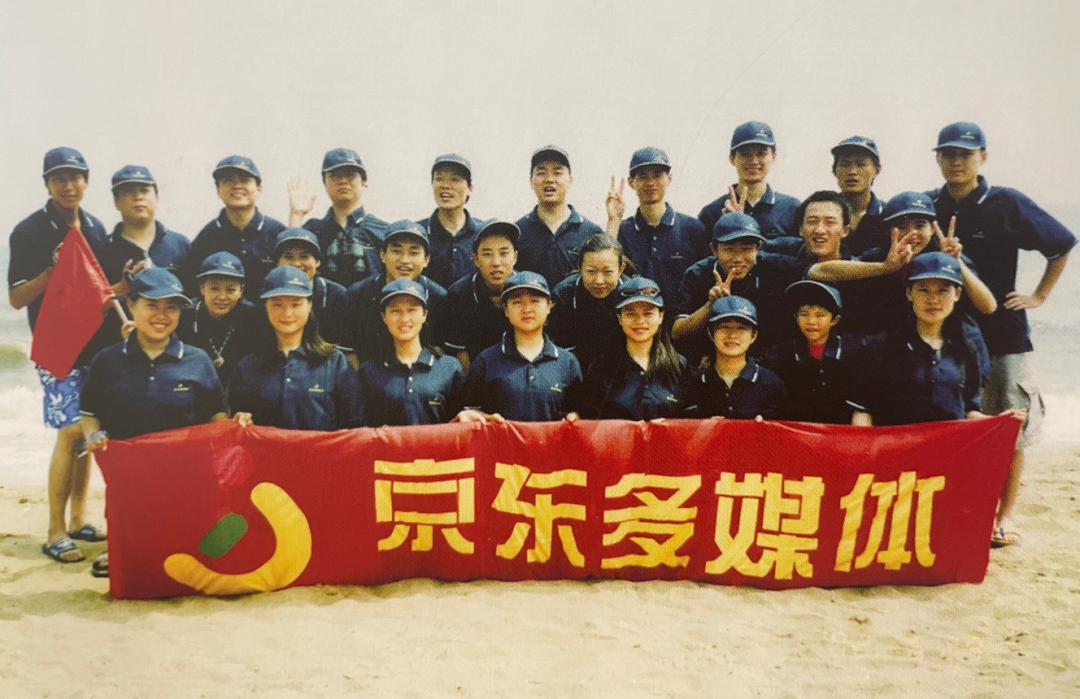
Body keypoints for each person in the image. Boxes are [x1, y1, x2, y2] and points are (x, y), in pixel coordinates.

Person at [929, 122, 1076, 547]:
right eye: (948, 154)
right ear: (938, 159)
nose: (956, 161)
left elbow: (1061, 244)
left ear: (983, 157)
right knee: (954, 426)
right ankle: (961, 510)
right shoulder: (930, 204)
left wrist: (1040, 296)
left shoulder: (1006, 202)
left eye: (965, 154)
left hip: (1005, 335)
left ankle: (1004, 517)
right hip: (950, 334)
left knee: (1010, 429)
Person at [80, 268, 232, 577]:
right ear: (132, 304)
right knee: (132, 558)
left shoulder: (198, 360)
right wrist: (93, 436)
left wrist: (225, 439)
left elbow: (217, 414)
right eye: (152, 304)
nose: (162, 315)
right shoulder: (106, 360)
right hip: (127, 481)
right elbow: (89, 412)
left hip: (183, 479)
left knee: (184, 557)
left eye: (171, 307)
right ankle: (119, 544)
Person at [9, 147, 110, 564]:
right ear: (47, 184)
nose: (68, 186)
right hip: (56, 348)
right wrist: (50, 273)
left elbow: (100, 290)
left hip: (95, 346)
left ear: (86, 181)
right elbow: (16, 298)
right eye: (58, 179)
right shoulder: (29, 231)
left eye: (75, 177)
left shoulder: (97, 227)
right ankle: (54, 531)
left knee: (87, 431)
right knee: (70, 430)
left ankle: (78, 519)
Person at [848, 252, 992, 427]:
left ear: (957, 293)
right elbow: (863, 411)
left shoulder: (965, 348)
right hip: (897, 442)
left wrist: (1003, 422)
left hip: (948, 442)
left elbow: (969, 410)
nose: (933, 300)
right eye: (923, 290)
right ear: (909, 293)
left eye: (943, 290)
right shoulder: (881, 347)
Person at [227, 266, 363, 431]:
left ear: (309, 305)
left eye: (296, 304)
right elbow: (236, 419)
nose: (287, 313)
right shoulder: (247, 367)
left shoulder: (335, 363)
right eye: (277, 304)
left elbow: (355, 426)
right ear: (266, 307)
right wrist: (241, 418)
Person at [672, 213, 801, 365]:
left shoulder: (777, 268)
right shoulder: (697, 274)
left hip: (769, 359)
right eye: (729, 249)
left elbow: (812, 269)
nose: (738, 258)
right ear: (714, 249)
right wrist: (710, 305)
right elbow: (677, 332)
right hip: (714, 358)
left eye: (746, 249)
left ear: (758, 248)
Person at [458, 272, 581, 422]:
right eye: (517, 302)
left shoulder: (567, 362)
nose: (527, 309)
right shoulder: (486, 360)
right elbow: (469, 413)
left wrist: (574, 417)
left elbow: (578, 413)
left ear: (549, 306)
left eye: (535, 301)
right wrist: (484, 418)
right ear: (505, 309)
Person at [605, 147, 710, 304]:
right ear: (631, 182)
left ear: (669, 178)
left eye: (657, 175)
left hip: (683, 317)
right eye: (643, 176)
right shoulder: (622, 230)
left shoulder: (693, 229)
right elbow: (605, 267)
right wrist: (614, 220)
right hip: (637, 317)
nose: (651, 183)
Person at [575, 277, 688, 420]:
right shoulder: (601, 368)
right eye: (630, 314)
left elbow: (690, 420)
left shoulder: (679, 366)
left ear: (661, 316)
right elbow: (589, 422)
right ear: (619, 318)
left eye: (648, 313)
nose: (640, 321)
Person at [357, 279, 465, 426]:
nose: (404, 319)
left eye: (412, 310)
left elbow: (461, 425)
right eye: (395, 311)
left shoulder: (449, 367)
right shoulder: (368, 371)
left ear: (424, 315)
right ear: (384, 317)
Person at [179, 155, 286, 301]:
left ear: (259, 189)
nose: (237, 186)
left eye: (245, 180)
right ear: (218, 190)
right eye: (228, 180)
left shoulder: (278, 233)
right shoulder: (206, 237)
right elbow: (191, 287)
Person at [344, 220, 448, 365]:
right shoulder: (357, 294)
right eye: (396, 251)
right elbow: (349, 351)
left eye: (414, 252)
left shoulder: (438, 297)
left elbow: (441, 352)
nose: (405, 260)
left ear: (426, 259)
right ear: (382, 255)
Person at [761, 281, 865, 424]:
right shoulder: (781, 354)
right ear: (795, 317)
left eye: (820, 315)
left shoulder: (855, 349)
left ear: (835, 320)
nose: (811, 321)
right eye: (804, 314)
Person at [287, 147, 388, 288]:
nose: (343, 181)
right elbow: (290, 266)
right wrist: (296, 215)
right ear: (325, 183)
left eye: (350, 175)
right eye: (335, 175)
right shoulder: (313, 231)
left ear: (363, 182)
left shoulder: (383, 232)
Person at [514, 145, 604, 287]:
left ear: (570, 180)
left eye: (557, 172)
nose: (549, 179)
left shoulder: (591, 232)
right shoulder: (517, 232)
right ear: (531, 181)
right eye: (541, 173)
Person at [684, 296, 786, 419]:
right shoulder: (694, 383)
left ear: (753, 336)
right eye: (724, 327)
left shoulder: (771, 383)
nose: (732, 335)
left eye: (741, 328)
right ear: (711, 333)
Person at [698, 121, 800, 240]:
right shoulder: (712, 213)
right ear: (732, 159)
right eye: (745, 154)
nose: (754, 161)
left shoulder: (792, 208)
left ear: (773, 157)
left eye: (761, 154)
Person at [547, 234, 629, 374]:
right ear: (580, 268)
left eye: (608, 272)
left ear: (621, 269)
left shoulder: (631, 294)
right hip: (573, 368)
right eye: (591, 271)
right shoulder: (564, 294)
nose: (599, 280)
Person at [444, 219, 518, 372]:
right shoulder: (459, 295)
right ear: (476, 259)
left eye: (504, 253)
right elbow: (460, 352)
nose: (496, 262)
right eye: (487, 254)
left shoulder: (528, 291)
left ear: (515, 257)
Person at [95, 165, 190, 284]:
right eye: (129, 191)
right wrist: (119, 290)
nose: (138, 197)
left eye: (144, 190)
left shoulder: (180, 245)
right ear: (116, 202)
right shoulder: (102, 252)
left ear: (157, 199)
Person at [176, 252, 260, 383]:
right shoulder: (184, 315)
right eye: (214, 288)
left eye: (230, 290)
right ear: (202, 288)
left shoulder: (253, 317)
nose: (222, 297)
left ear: (241, 291)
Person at [273, 228, 350, 352]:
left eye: (304, 256)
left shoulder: (337, 295)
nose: (296, 264)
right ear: (277, 262)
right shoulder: (267, 296)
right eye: (288, 256)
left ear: (317, 261)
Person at [417, 154, 485, 289]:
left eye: (455, 179)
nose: (445, 185)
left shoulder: (483, 233)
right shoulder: (418, 233)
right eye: (439, 179)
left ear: (470, 189)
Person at [831, 136, 888, 256]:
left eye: (861, 164)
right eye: (845, 164)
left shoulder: (888, 215)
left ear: (877, 170)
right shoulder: (820, 214)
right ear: (835, 170)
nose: (852, 171)